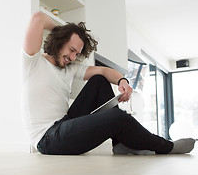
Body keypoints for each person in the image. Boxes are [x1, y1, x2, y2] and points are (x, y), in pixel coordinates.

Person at [21, 11, 195, 155]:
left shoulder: (69, 68)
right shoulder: (33, 61)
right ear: (59, 42)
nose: (73, 57)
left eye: (77, 53)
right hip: (47, 138)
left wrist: (122, 81)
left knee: (99, 80)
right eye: (71, 50)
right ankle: (166, 147)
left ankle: (120, 144)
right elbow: (39, 17)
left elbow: (104, 71)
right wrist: (62, 31)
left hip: (64, 124)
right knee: (117, 118)